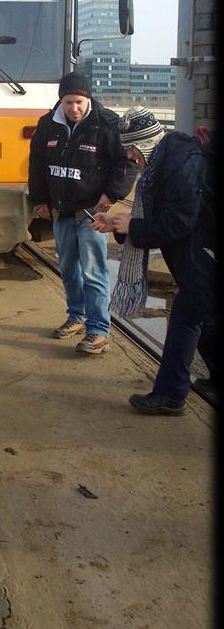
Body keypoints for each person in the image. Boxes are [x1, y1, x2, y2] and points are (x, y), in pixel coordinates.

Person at [91, 106, 217, 415]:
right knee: (207, 316)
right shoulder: (165, 160)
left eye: (132, 149)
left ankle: (171, 395)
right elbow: (156, 215)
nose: (132, 158)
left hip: (205, 253)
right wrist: (121, 225)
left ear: (145, 142)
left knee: (187, 318)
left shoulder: (179, 165)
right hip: (198, 252)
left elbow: (177, 222)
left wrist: (131, 226)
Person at [28, 72, 137, 354]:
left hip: (92, 215)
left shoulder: (107, 124)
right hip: (62, 212)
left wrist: (111, 194)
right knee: (67, 270)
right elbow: (37, 165)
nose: (73, 108)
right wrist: (38, 199)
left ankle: (98, 331)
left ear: (88, 99)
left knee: (93, 272)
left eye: (78, 102)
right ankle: (76, 316)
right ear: (60, 101)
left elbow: (126, 163)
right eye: (68, 102)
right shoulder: (47, 125)